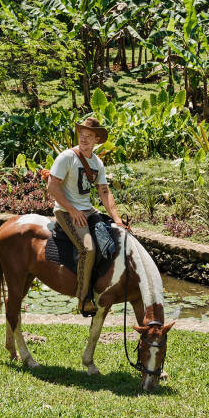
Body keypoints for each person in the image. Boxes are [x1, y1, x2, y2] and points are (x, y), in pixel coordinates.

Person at [47, 117, 127, 316]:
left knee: (109, 242)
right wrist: (72, 210)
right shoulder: (67, 157)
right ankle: (83, 299)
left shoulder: (97, 162)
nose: (83, 139)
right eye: (81, 135)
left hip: (88, 210)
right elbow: (52, 187)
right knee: (88, 249)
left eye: (88, 136)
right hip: (66, 211)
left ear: (97, 139)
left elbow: (104, 192)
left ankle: (103, 287)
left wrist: (117, 219)